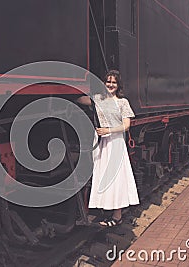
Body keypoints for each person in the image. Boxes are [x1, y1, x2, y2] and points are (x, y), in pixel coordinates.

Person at [77, 69, 139, 227]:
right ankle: (107, 209)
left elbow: (126, 126)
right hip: (102, 143)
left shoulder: (123, 102)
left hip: (115, 143)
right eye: (108, 82)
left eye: (114, 82)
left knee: (116, 178)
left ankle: (117, 215)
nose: (111, 85)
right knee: (102, 176)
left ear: (118, 85)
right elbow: (82, 99)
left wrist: (108, 130)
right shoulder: (99, 99)